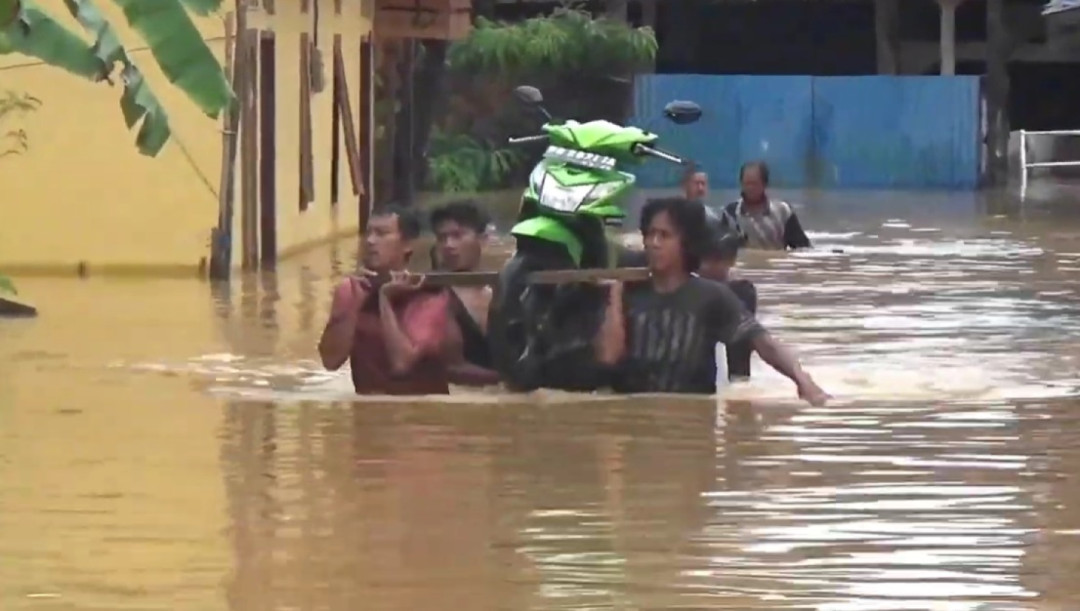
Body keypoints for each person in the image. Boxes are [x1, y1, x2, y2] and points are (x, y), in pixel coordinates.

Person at [593, 196, 828, 405]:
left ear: (686, 243)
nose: (654, 243)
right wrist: (616, 291)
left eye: (664, 236)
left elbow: (764, 343)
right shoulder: (629, 294)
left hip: (691, 420)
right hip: (636, 419)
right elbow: (608, 357)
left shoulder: (712, 296)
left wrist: (803, 381)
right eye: (650, 234)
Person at [318, 205, 451, 395]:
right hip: (369, 409)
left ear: (407, 244)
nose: (370, 241)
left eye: (381, 234)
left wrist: (385, 300)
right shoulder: (352, 290)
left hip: (421, 411)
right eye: (368, 233)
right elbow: (330, 362)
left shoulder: (429, 294)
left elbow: (402, 364)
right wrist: (353, 306)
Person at [428, 200, 500, 387]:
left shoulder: (500, 289)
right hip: (461, 394)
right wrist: (504, 380)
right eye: (442, 238)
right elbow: (452, 367)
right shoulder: (435, 294)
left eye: (457, 235)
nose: (449, 245)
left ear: (483, 239)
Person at [697, 225, 756, 380]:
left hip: (736, 370)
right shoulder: (690, 288)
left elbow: (745, 339)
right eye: (703, 260)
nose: (705, 266)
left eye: (714, 260)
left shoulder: (742, 291)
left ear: (731, 260)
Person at [718, 160, 812, 251]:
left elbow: (802, 249)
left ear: (764, 184)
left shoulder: (783, 212)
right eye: (746, 183)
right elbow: (721, 249)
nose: (750, 188)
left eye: (754, 184)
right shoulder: (731, 214)